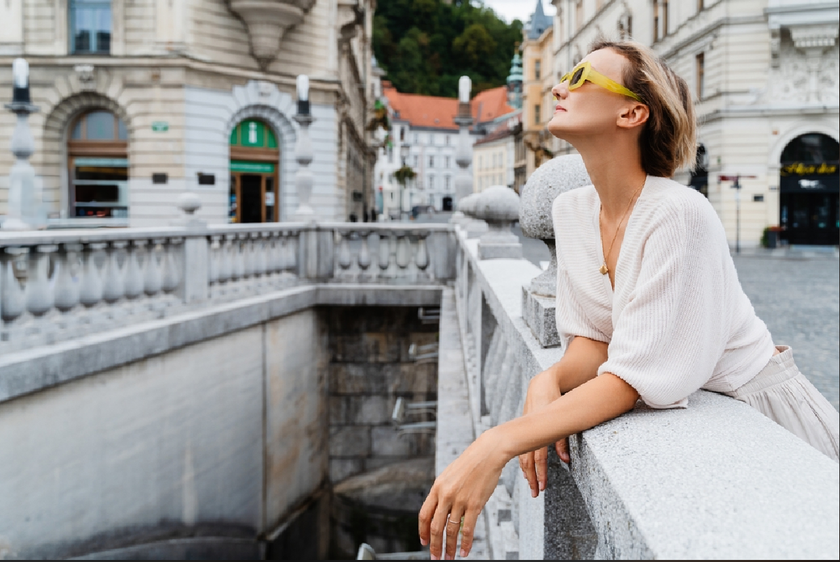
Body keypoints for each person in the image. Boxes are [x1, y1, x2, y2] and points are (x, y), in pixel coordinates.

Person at [417, 39, 840, 561]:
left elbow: (632, 382)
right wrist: (546, 380)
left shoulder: (679, 213)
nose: (559, 87)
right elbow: (595, 342)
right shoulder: (572, 210)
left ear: (633, 112)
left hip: (768, 412)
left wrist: (498, 442)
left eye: (580, 78)